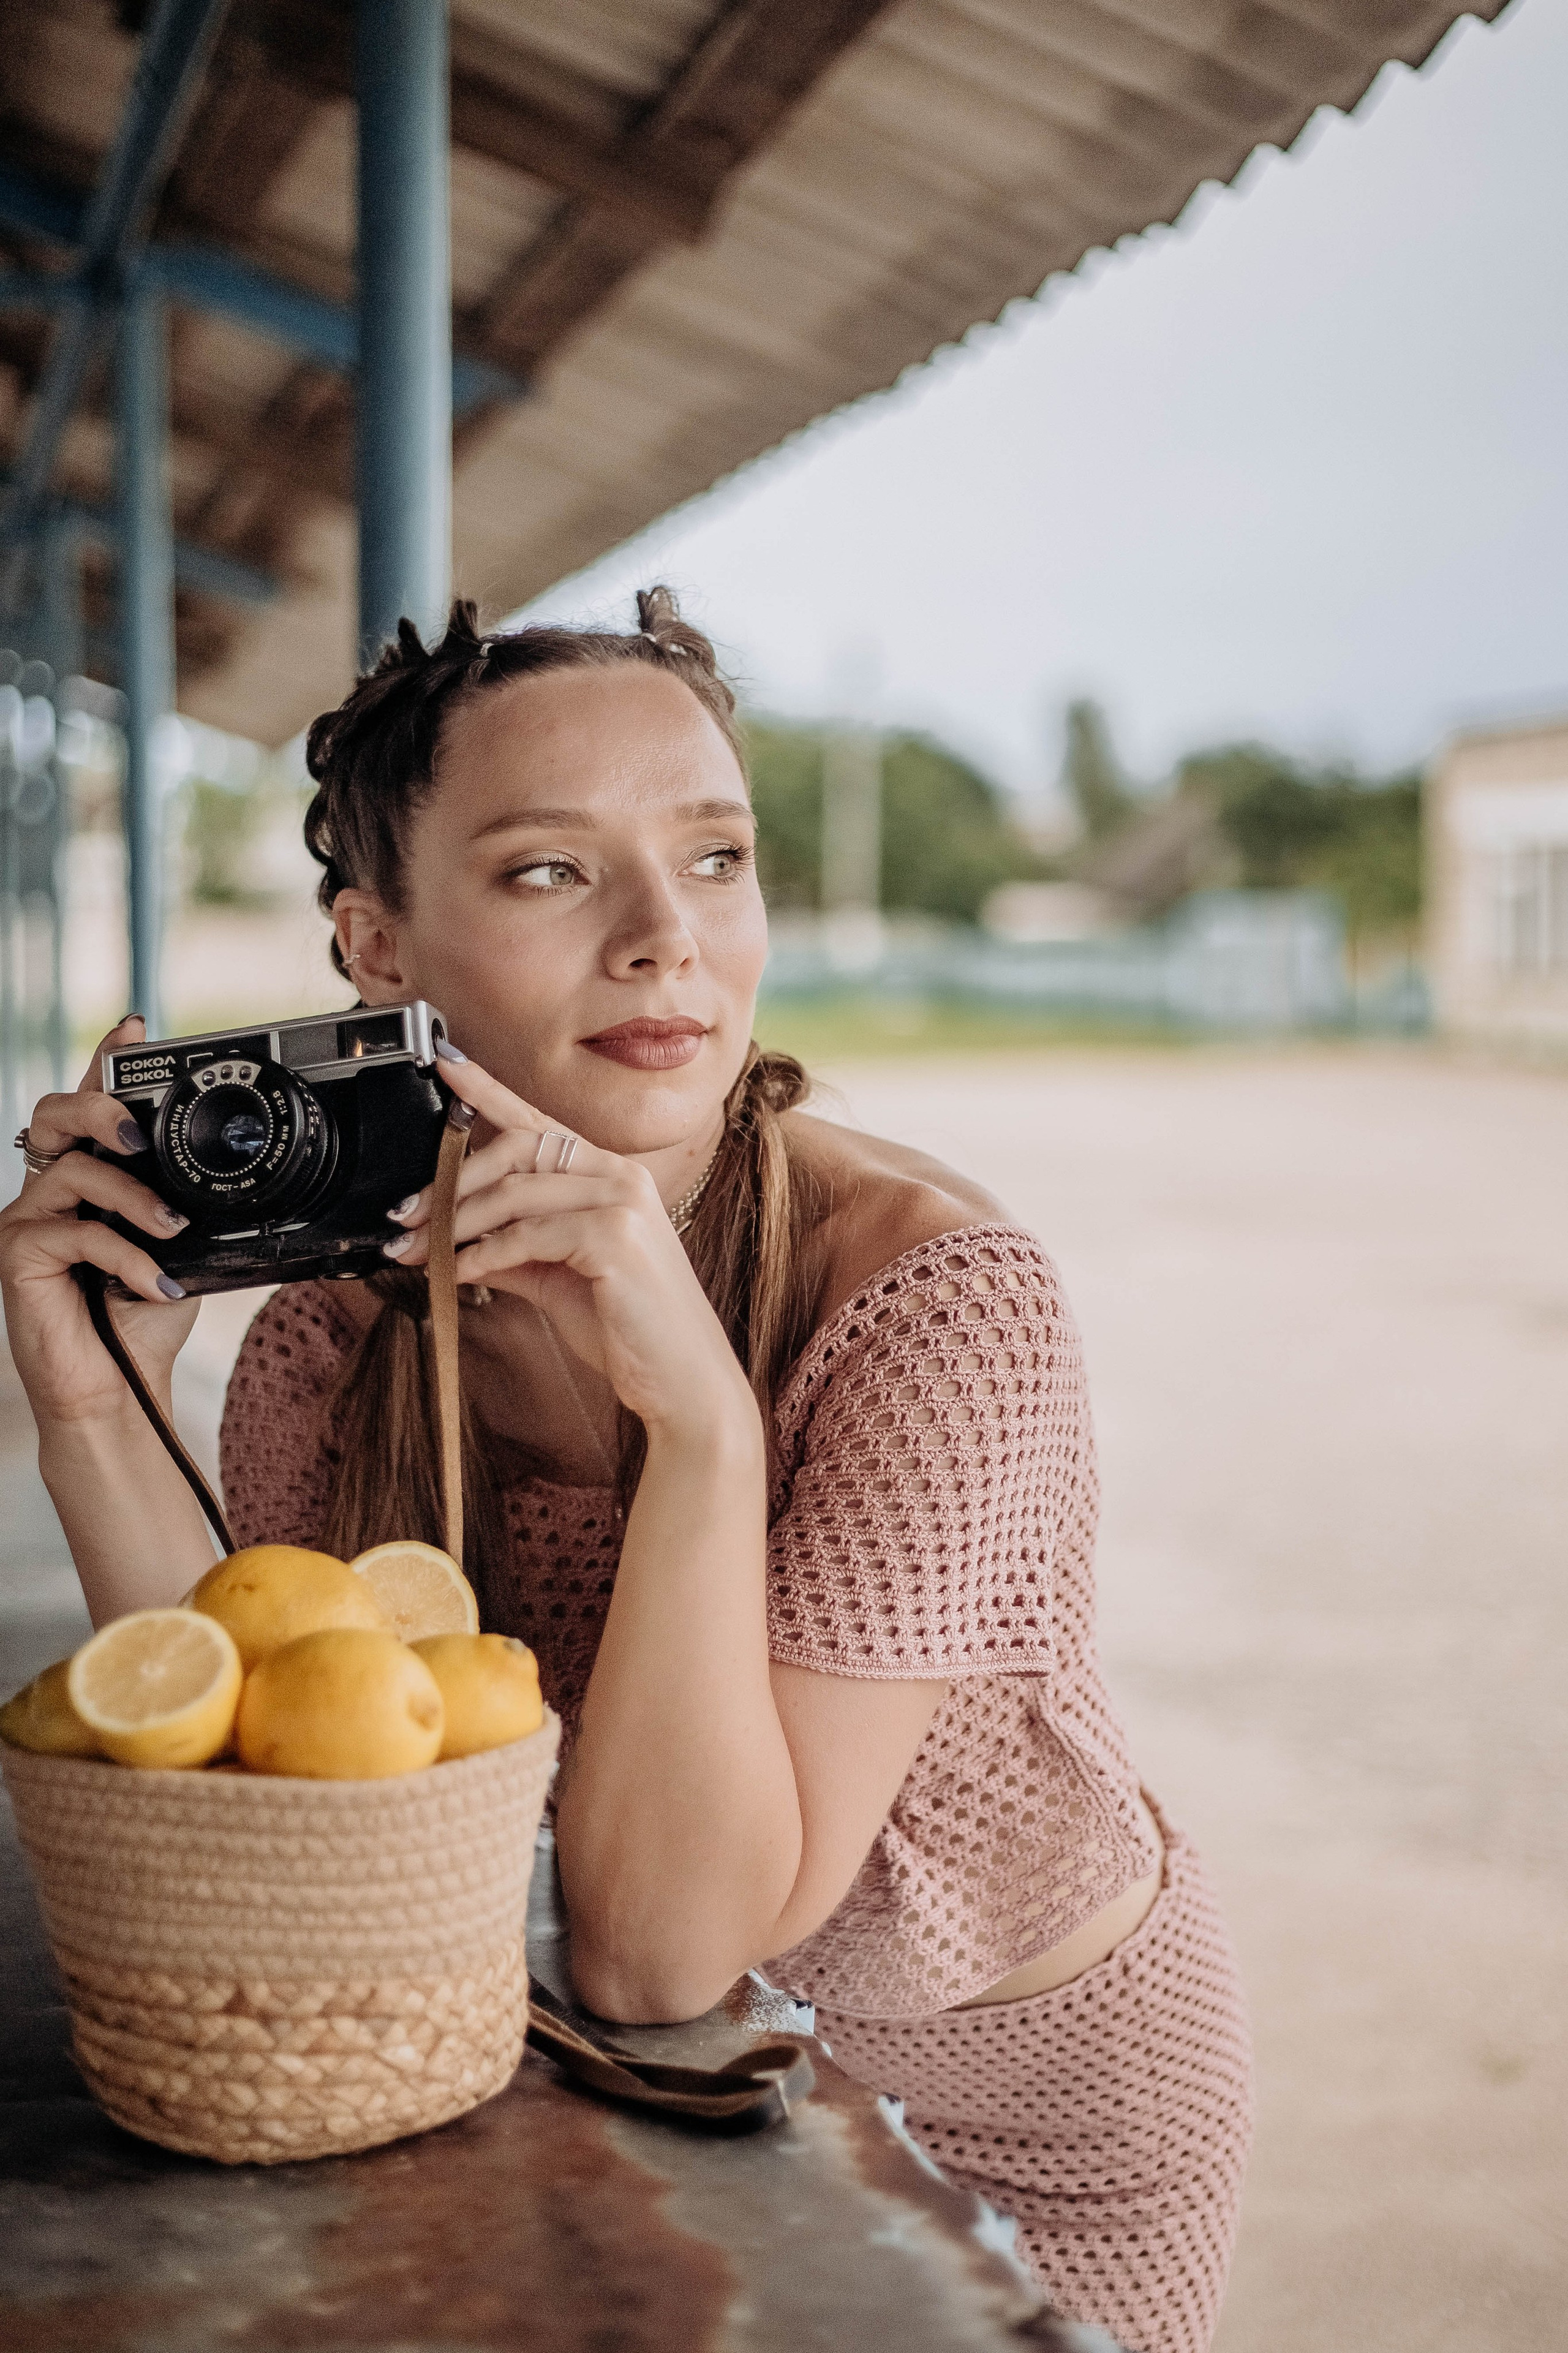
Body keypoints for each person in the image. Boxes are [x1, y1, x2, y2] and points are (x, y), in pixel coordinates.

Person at [0, 592, 1251, 2353]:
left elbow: (668, 1949)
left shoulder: (934, 1304)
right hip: (648, 2105)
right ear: (379, 945)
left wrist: (705, 1428)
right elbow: (263, 1794)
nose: (669, 939)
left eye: (717, 858)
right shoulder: (333, 1348)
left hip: (1027, 2132)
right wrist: (90, 1411)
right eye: (551, 872)